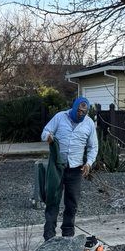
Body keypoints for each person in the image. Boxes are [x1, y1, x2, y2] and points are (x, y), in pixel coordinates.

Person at [40, 96, 98, 240]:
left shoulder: (89, 123)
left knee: (72, 203)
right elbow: (45, 132)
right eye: (78, 110)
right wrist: (48, 137)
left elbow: (93, 147)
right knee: (52, 200)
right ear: (74, 107)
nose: (80, 114)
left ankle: (68, 234)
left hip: (76, 169)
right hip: (57, 167)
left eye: (84, 112)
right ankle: (49, 235)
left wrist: (89, 163)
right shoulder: (60, 117)